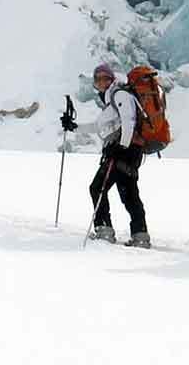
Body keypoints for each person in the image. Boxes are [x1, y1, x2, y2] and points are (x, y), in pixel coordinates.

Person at [64, 64, 151, 247]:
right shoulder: (114, 99)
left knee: (97, 187)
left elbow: (129, 122)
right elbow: (98, 127)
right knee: (129, 194)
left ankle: (104, 231)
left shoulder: (119, 95)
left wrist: (122, 147)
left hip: (123, 152)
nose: (101, 81)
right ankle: (140, 235)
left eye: (105, 78)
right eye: (97, 79)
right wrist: (74, 127)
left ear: (111, 79)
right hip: (131, 152)